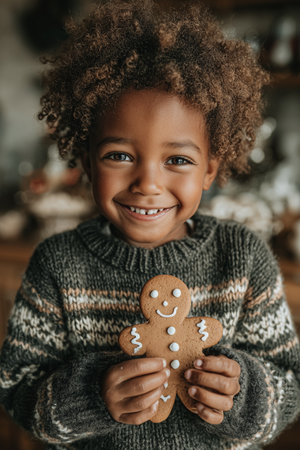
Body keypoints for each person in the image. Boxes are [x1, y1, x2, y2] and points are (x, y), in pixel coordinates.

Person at [0, 1, 299, 449]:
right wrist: (91, 395)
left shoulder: (244, 258)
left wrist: (244, 394)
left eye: (177, 160)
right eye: (119, 155)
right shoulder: (58, 264)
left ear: (210, 172)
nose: (148, 184)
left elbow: (290, 387)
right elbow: (17, 390)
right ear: (86, 163)